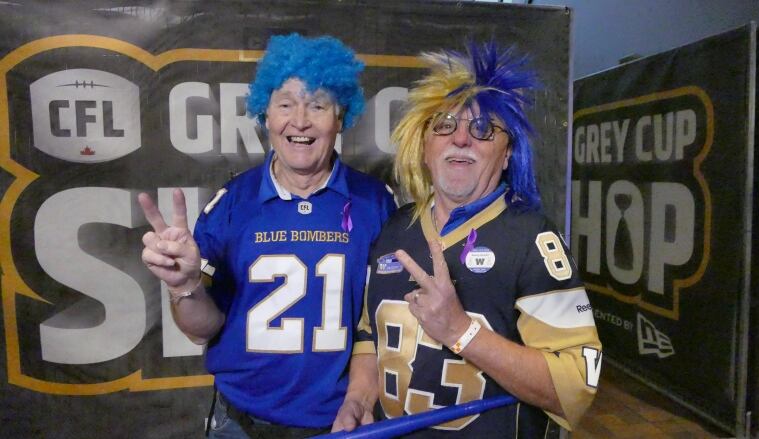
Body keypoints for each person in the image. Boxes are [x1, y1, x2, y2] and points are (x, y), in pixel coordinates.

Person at [333, 41, 602, 438]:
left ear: (508, 153)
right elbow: (369, 336)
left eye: (482, 128)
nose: (461, 138)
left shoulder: (532, 238)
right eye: (444, 124)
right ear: (424, 146)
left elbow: (577, 385)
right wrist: (357, 398)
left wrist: (462, 331)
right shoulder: (394, 229)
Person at [138, 33, 396, 438]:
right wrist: (184, 287)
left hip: (340, 423)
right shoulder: (231, 204)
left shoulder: (376, 203)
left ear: (340, 116)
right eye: (286, 104)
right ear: (266, 114)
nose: (300, 120)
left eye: (318, 104)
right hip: (241, 421)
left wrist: (361, 398)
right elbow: (199, 328)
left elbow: (385, 325)